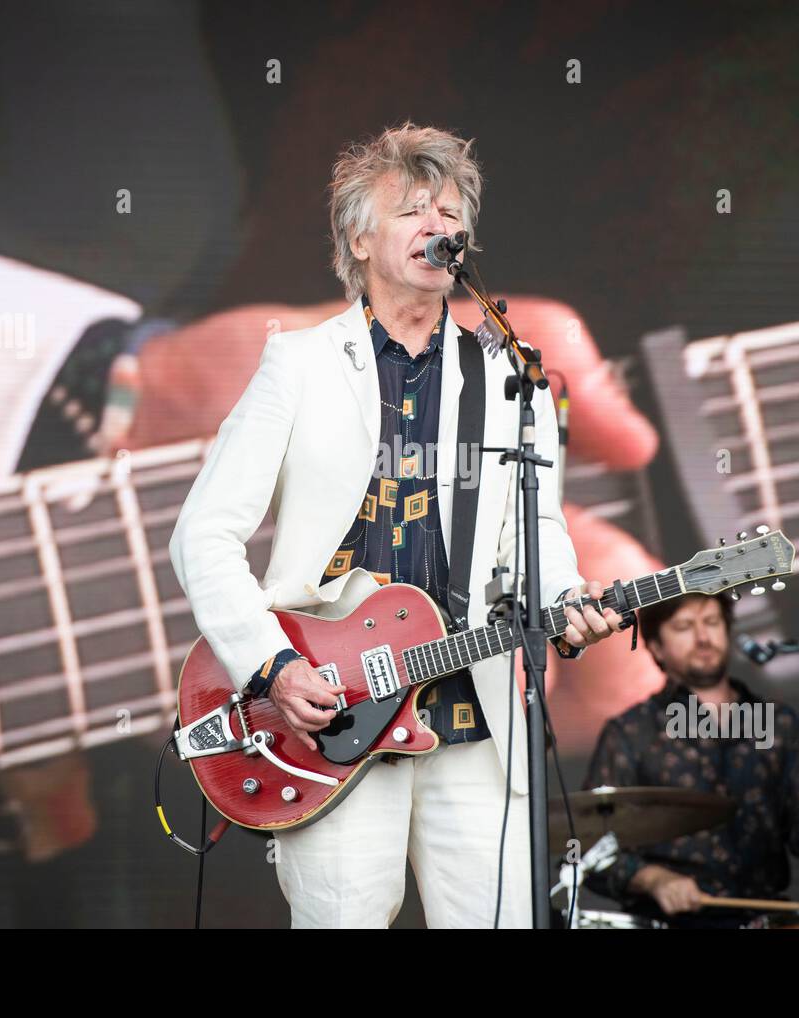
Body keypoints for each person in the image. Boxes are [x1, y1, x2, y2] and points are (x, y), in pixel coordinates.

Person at [169, 121, 625, 928]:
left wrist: (569, 601)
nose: (438, 227)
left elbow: (537, 533)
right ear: (359, 234)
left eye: (450, 212)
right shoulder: (300, 365)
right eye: (413, 210)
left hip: (472, 714)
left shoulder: (509, 375)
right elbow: (201, 535)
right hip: (331, 712)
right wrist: (272, 665)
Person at [582, 591, 799, 927]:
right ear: (656, 647)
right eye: (684, 626)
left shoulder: (778, 723)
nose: (703, 637)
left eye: (712, 622)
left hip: (766, 917)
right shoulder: (631, 733)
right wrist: (654, 879)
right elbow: (589, 848)